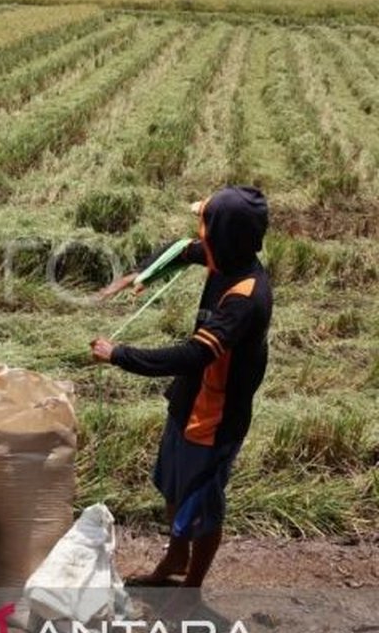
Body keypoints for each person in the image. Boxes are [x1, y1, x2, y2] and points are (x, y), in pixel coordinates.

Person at [91, 186, 273, 591]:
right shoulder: (225, 257)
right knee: (173, 485)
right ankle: (175, 557)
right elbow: (180, 250)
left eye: (205, 226)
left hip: (215, 418)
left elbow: (193, 355)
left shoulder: (246, 298)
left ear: (223, 235)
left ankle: (191, 587)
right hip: (189, 399)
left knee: (203, 506)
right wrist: (139, 275)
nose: (199, 235)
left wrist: (119, 354)